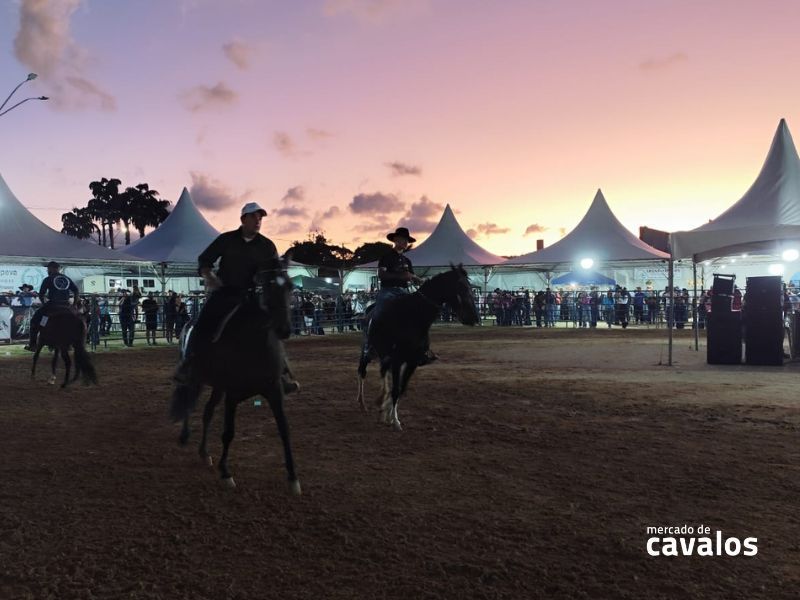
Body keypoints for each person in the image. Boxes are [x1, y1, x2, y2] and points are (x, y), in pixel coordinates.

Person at [172, 202, 299, 394]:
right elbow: (204, 260)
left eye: (260, 217)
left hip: (251, 295)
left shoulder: (267, 246)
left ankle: (281, 372)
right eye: (254, 217)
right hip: (224, 292)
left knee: (272, 326)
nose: (258, 221)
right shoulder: (226, 240)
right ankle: (188, 364)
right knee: (203, 322)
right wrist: (209, 276)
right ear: (243, 219)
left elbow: (274, 270)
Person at [361, 227, 437, 365]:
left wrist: (420, 281)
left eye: (406, 240)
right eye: (402, 240)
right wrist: (401, 275)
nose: (405, 243)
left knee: (420, 315)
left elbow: (411, 277)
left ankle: (422, 348)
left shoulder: (407, 261)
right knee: (379, 312)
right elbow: (381, 275)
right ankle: (369, 346)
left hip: (403, 291)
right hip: (388, 290)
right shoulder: (386, 257)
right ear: (395, 240)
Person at [25, 261, 79, 351]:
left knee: (35, 321)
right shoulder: (67, 279)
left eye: (48, 269)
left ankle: (33, 345)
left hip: (52, 305)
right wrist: (74, 305)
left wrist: (44, 304)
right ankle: (72, 343)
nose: (47, 271)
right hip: (66, 305)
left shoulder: (48, 279)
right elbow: (76, 291)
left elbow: (41, 294)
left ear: (52, 268)